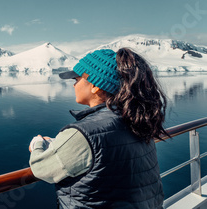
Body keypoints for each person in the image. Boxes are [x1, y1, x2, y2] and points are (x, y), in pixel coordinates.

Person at [29, 48, 168, 209]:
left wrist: (37, 144)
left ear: (95, 85)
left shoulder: (83, 133)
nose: (74, 84)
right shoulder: (137, 120)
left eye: (77, 78)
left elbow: (41, 168)